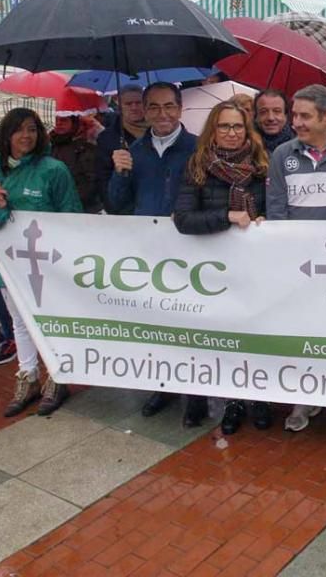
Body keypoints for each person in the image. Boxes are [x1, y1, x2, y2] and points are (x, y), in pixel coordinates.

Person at [0, 109, 82, 417]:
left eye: (31, 129)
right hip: (5, 263)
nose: (26, 136)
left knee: (50, 320)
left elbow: (71, 214)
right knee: (19, 321)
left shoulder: (53, 169)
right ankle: (27, 376)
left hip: (47, 264)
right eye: (18, 130)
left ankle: (58, 376)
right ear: (6, 135)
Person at [266, 85, 326, 432]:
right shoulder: (282, 155)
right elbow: (276, 212)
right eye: (295, 115)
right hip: (301, 266)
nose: (296, 122)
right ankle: (304, 397)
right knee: (302, 331)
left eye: (305, 116)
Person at [173, 100, 270, 433]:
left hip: (253, 268)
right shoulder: (197, 164)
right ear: (213, 130)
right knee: (218, 338)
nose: (231, 133)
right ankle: (225, 401)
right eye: (224, 126)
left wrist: (265, 222)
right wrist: (227, 217)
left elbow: (274, 211)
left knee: (252, 336)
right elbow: (183, 219)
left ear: (247, 130)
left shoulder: (261, 164)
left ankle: (256, 398)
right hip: (211, 271)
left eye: (238, 126)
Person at [108, 82, 198, 419]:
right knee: (156, 322)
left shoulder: (198, 148)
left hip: (189, 250)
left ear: (180, 109)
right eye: (155, 107)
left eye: (169, 106)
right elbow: (117, 204)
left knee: (190, 322)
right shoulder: (134, 151)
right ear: (143, 111)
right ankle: (162, 385)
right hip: (148, 252)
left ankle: (194, 393)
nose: (163, 114)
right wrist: (119, 173)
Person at [96, 84, 148, 214]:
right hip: (124, 208)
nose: (134, 107)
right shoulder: (107, 138)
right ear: (119, 105)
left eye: (138, 103)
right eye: (128, 104)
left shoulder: (159, 131)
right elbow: (103, 177)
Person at [49, 116, 101, 213]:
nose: (58, 123)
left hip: (81, 211)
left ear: (74, 123)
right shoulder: (46, 146)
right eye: (55, 120)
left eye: (63, 120)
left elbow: (92, 184)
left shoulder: (86, 148)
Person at [254, 89, 294, 154]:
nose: (270, 118)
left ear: (286, 115)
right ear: (256, 116)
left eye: (277, 111)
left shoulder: (300, 148)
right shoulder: (243, 147)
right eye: (263, 112)